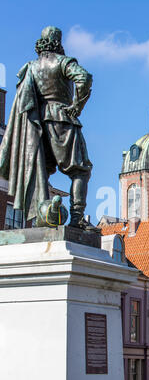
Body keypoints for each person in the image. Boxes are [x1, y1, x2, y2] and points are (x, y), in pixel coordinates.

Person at [0, 26, 93, 228]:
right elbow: (84, 78)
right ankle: (77, 219)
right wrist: (77, 106)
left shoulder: (30, 68)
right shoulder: (63, 62)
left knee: (42, 170)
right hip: (62, 119)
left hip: (35, 126)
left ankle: (40, 219)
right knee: (80, 170)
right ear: (59, 43)